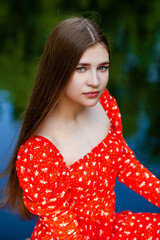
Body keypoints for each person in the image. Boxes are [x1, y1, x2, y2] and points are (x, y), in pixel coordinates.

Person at [1, 16, 160, 240]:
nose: (95, 81)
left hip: (108, 229)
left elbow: (125, 164)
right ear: (57, 70)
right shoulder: (40, 152)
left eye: (102, 67)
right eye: (81, 68)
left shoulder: (104, 103)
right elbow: (68, 234)